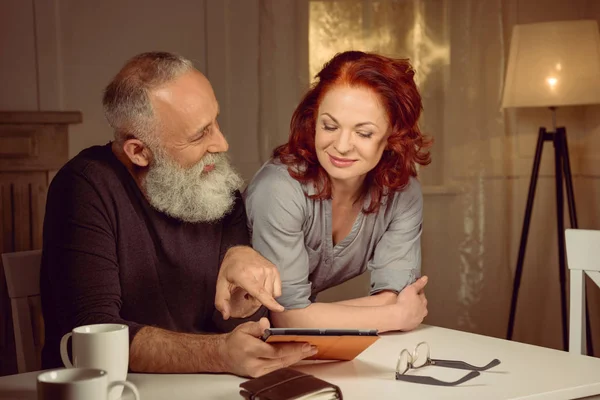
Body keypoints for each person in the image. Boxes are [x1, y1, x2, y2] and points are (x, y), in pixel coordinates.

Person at [40, 51, 316, 377]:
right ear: (139, 152)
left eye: (216, 121)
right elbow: (92, 335)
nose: (222, 143)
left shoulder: (215, 181)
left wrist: (246, 298)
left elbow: (232, 323)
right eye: (200, 134)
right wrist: (218, 354)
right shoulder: (84, 187)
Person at [245, 50, 431, 333]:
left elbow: (395, 296)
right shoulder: (279, 188)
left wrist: (308, 315)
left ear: (393, 133)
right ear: (313, 119)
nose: (342, 145)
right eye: (329, 126)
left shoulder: (403, 194)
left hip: (283, 348)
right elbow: (286, 317)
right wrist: (396, 317)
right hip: (216, 338)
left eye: (364, 133)